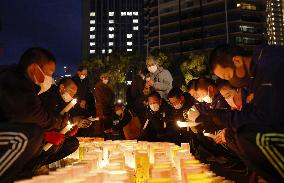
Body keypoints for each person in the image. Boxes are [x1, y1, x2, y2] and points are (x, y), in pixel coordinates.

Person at [209, 44, 284, 182]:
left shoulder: (269, 64)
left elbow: (266, 117)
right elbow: (248, 113)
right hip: (275, 122)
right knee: (234, 133)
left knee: (251, 136)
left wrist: (221, 118)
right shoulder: (251, 76)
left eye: (227, 76)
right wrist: (219, 119)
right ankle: (260, 174)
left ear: (237, 61)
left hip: (277, 122)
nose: (228, 81)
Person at [0, 48, 66, 182]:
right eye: (50, 73)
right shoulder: (13, 80)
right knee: (26, 137)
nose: (50, 79)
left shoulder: (27, 85)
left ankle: (20, 174)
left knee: (36, 134)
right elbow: (32, 114)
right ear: (34, 69)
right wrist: (58, 123)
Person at [95, 73, 115, 138]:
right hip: (102, 109)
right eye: (105, 78)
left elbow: (112, 96)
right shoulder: (99, 86)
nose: (106, 79)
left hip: (109, 109)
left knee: (108, 127)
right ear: (102, 78)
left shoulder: (109, 86)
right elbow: (101, 97)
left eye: (107, 78)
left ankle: (109, 138)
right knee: (102, 126)